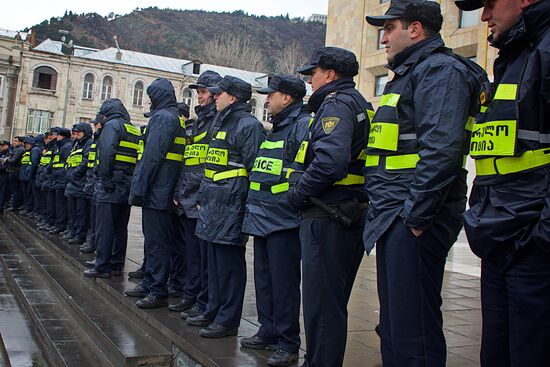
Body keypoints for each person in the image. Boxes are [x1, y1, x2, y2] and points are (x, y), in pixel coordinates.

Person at [364, 1, 487, 365]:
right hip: (393, 212)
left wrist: (415, 218)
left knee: (412, 325)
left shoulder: (440, 71)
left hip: (413, 215)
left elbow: (442, 151)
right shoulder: (411, 73)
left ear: (415, 29)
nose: (383, 38)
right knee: (394, 324)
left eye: (389, 28)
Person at [453, 0, 550, 366]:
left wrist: (541, 238)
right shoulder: (514, 55)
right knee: (496, 353)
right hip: (500, 235)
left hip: (531, 243)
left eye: (490, 3)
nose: (484, 16)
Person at [290, 47, 372, 367]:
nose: (310, 81)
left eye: (313, 74)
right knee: (331, 304)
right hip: (344, 212)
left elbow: (330, 163)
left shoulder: (336, 104)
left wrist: (298, 194)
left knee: (322, 306)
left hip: (328, 214)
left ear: (330, 75)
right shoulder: (358, 103)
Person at [240, 74, 310, 367]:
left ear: (287, 98)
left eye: (272, 95)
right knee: (265, 281)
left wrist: (289, 205)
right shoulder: (276, 129)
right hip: (262, 217)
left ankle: (287, 342)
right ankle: (267, 330)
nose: (266, 99)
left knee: (284, 285)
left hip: (283, 220)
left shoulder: (301, 126)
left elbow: (301, 173)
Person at [190, 75, 264, 338]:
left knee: (229, 267)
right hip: (212, 203)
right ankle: (213, 309)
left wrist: (246, 208)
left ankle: (227, 320)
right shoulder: (222, 122)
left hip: (231, 206)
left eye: (218, 94)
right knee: (214, 264)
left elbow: (254, 169)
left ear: (232, 97)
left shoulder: (247, 125)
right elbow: (211, 165)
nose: (214, 97)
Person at [125, 78, 187, 309]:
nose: (150, 100)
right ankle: (151, 282)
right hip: (165, 188)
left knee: (156, 242)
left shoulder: (162, 118)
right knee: (157, 241)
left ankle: (157, 288)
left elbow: (151, 157)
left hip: (157, 191)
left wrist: (139, 190)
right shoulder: (174, 118)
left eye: (152, 96)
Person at [171, 70, 222, 319]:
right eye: (198, 93)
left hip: (201, 201)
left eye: (202, 92)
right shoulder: (196, 122)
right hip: (187, 200)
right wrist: (179, 193)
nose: (198, 97)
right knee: (191, 255)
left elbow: (210, 166)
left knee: (201, 259)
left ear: (214, 94)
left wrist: (200, 196)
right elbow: (188, 162)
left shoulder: (216, 122)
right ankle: (191, 296)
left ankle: (200, 301)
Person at [83, 98, 140, 278]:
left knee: (104, 227)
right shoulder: (132, 128)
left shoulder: (111, 126)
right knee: (120, 228)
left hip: (111, 185)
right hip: (126, 184)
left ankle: (102, 265)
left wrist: (105, 179)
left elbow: (107, 154)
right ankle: (116, 264)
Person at [64, 122, 93, 245]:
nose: (76, 135)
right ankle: (73, 231)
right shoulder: (76, 144)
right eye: (74, 133)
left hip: (80, 183)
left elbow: (85, 161)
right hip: (72, 183)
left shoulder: (88, 144)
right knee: (73, 211)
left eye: (78, 132)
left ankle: (79, 235)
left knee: (81, 212)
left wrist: (75, 173)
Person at [48, 128, 72, 234]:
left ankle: (61, 225)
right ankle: (58, 224)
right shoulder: (60, 146)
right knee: (58, 204)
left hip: (62, 179)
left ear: (61, 136)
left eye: (56, 135)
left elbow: (66, 164)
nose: (54, 137)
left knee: (61, 205)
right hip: (57, 179)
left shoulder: (66, 146)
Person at [5, 136, 26, 211]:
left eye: (16, 141)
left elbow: (13, 160)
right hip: (15, 171)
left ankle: (15, 205)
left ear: (20, 142)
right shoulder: (18, 149)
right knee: (16, 189)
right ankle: (15, 204)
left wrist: (6, 160)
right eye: (13, 140)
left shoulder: (19, 150)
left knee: (15, 189)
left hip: (14, 172)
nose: (14, 142)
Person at [0, 140, 10, 214]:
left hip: (4, 175)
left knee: (2, 192)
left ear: (7, 146)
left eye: (3, 145)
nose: (1, 146)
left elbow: (5, 166)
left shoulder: (9, 154)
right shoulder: (1, 153)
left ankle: (1, 207)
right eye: (1, 145)